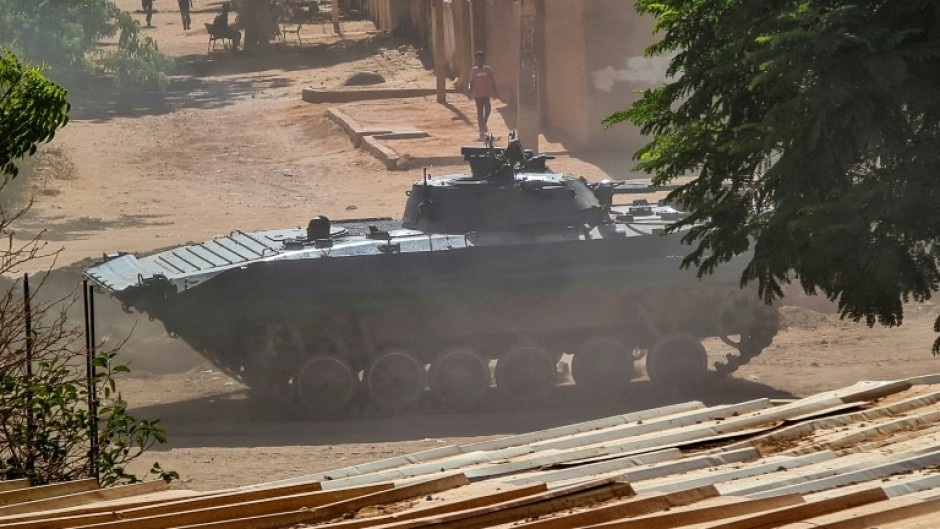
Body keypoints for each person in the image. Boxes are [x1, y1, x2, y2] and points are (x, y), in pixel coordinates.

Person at [467, 50, 497, 141]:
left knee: (488, 110)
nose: (479, 61)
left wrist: (495, 92)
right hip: (478, 95)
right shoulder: (474, 71)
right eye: (477, 59)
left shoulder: (488, 70)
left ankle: (483, 125)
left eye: (481, 59)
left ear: (483, 60)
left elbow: (492, 81)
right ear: (476, 60)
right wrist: (469, 88)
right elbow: (470, 82)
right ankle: (481, 130)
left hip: (486, 94)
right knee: (480, 112)